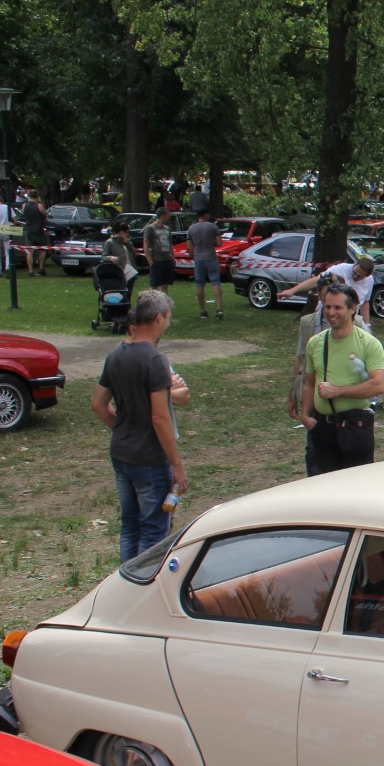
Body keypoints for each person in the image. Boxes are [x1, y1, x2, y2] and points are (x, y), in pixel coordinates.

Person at [91, 290, 189, 561]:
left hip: (122, 454)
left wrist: (122, 428)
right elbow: (160, 418)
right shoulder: (154, 360)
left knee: (130, 526)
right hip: (150, 460)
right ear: (158, 317)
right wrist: (177, 466)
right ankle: (145, 591)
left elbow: (99, 404)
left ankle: (125, 585)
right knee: (154, 531)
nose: (168, 323)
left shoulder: (116, 355)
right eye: (168, 317)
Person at [302, 282, 384, 474]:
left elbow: (378, 385)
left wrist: (337, 391)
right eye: (328, 306)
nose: (331, 312)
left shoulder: (369, 344)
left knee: (355, 486)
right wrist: (305, 415)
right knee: (322, 486)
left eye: (338, 307)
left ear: (352, 308)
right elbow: (309, 383)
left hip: (354, 427)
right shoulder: (316, 343)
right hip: (322, 426)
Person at [284, 256, 375, 322]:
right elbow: (317, 280)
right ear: (355, 264)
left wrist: (367, 324)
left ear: (367, 276)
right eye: (355, 272)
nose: (355, 276)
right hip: (325, 315)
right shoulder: (340, 269)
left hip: (349, 318)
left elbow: (365, 303)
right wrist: (292, 291)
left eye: (360, 276)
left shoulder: (369, 281)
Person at [184, 208, 223, 319]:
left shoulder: (191, 228)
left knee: (200, 285)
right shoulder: (212, 226)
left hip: (199, 259)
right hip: (211, 257)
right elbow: (219, 243)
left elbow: (189, 246)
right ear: (205, 214)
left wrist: (194, 256)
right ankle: (219, 309)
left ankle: (203, 311)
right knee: (215, 282)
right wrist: (213, 242)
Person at [142, 205, 177, 297]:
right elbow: (146, 244)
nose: (169, 217)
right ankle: (153, 304)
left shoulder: (167, 229)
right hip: (157, 259)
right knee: (154, 285)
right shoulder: (150, 228)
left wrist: (173, 258)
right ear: (162, 215)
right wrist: (150, 261)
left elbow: (170, 244)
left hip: (168, 259)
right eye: (167, 215)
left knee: (165, 284)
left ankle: (164, 305)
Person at [22, 193, 48, 277]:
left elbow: (24, 215)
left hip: (29, 231)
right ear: (37, 197)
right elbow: (45, 215)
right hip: (39, 231)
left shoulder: (24, 205)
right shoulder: (39, 206)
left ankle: (30, 270)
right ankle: (41, 268)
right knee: (42, 250)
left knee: (29, 251)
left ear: (29, 196)